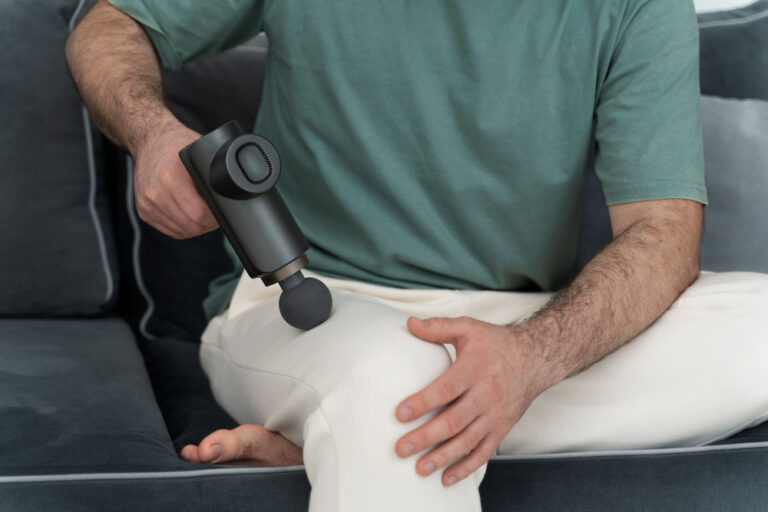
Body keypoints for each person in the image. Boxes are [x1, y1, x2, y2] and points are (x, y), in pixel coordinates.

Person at [66, 1, 768, 510]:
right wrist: (152, 133)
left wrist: (531, 359)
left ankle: (338, 435)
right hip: (310, 307)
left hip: (519, 326)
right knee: (395, 385)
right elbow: (108, 25)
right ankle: (355, 420)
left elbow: (662, 231)